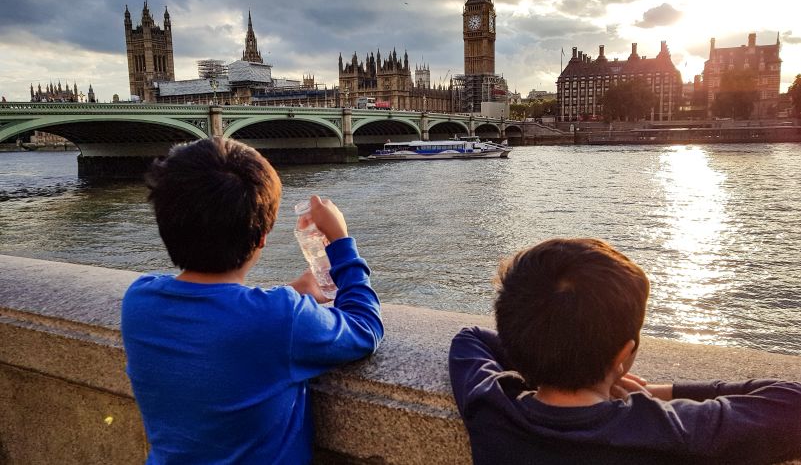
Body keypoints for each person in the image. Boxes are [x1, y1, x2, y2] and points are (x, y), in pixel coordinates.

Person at [121, 137, 383, 464]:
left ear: (165, 224)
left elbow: (218, 316)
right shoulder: (282, 318)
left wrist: (295, 292)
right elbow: (366, 327)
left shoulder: (138, 302)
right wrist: (341, 242)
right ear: (261, 238)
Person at [449, 238, 801, 464]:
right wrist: (657, 392)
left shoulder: (490, 407)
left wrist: (545, 359)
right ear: (624, 355)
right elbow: (791, 401)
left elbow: (470, 339)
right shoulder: (672, 433)